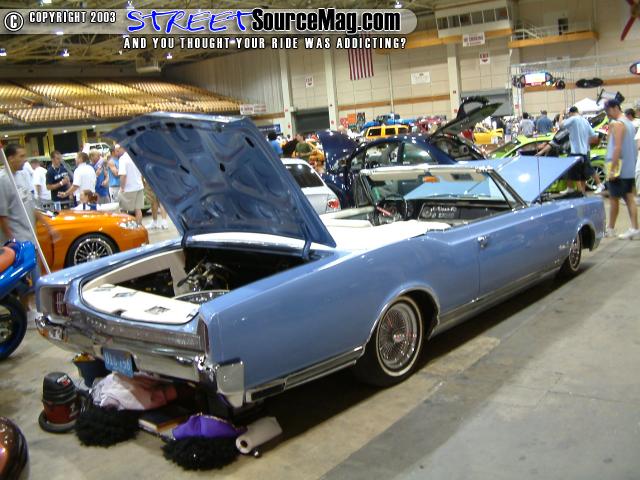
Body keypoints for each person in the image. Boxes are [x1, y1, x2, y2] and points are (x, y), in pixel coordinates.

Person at [0, 144, 46, 302]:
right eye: (21, 156)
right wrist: (12, 242)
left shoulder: (24, 175)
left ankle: (39, 309)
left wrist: (47, 225)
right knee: (21, 283)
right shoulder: (3, 180)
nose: (24, 159)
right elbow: (2, 216)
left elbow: (30, 204)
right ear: (10, 158)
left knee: (37, 279)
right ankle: (24, 310)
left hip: (30, 237)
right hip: (17, 242)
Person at [604, 100, 639, 239]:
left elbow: (617, 147)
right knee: (629, 198)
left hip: (619, 169)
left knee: (614, 199)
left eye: (608, 111)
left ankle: (611, 228)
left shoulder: (619, 124)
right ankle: (634, 228)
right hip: (629, 167)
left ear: (614, 108)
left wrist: (613, 169)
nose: (607, 114)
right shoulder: (629, 123)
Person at [559, 106, 600, 194]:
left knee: (577, 171)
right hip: (584, 150)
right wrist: (586, 142)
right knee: (582, 172)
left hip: (575, 151)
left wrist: (561, 114)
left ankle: (576, 189)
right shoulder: (585, 121)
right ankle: (577, 190)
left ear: (570, 113)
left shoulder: (573, 118)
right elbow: (593, 135)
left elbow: (561, 125)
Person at [116, 145, 144, 226]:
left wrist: (122, 187)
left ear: (122, 148)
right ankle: (139, 227)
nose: (117, 152)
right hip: (138, 186)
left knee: (123, 210)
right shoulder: (135, 156)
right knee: (138, 209)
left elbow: (123, 175)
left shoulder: (123, 159)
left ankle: (126, 228)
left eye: (118, 150)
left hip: (128, 188)